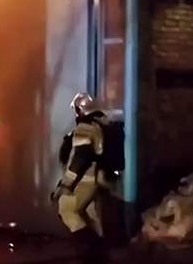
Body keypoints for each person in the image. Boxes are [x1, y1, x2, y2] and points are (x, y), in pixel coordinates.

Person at [52, 92, 109, 262]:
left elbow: (81, 158)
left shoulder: (84, 128)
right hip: (95, 180)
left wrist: (66, 184)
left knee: (66, 209)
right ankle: (100, 255)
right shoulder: (98, 125)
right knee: (90, 216)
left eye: (76, 110)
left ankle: (91, 251)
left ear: (81, 109)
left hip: (84, 180)